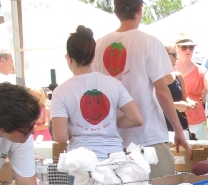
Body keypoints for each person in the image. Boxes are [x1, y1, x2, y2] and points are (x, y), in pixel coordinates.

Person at [93, 0, 191, 178]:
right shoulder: (150, 42)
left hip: (113, 141)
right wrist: (179, 130)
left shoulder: (99, 45)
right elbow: (162, 92)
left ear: (116, 12)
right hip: (148, 139)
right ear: (140, 9)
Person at [51, 25, 143, 159]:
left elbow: (60, 137)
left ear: (69, 58)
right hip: (113, 158)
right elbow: (136, 119)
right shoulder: (114, 84)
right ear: (93, 57)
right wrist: (110, 123)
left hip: (80, 162)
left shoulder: (60, 91)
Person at [174, 35, 208, 141]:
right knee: (179, 156)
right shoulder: (168, 70)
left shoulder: (200, 69)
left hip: (198, 120)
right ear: (176, 49)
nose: (188, 50)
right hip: (176, 121)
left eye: (191, 47)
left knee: (202, 153)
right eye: (184, 47)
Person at [164, 45, 196, 135]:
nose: (176, 58)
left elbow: (185, 97)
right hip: (162, 129)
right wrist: (176, 105)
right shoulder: (153, 79)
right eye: (174, 55)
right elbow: (152, 104)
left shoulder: (178, 76)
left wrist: (190, 102)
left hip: (181, 127)